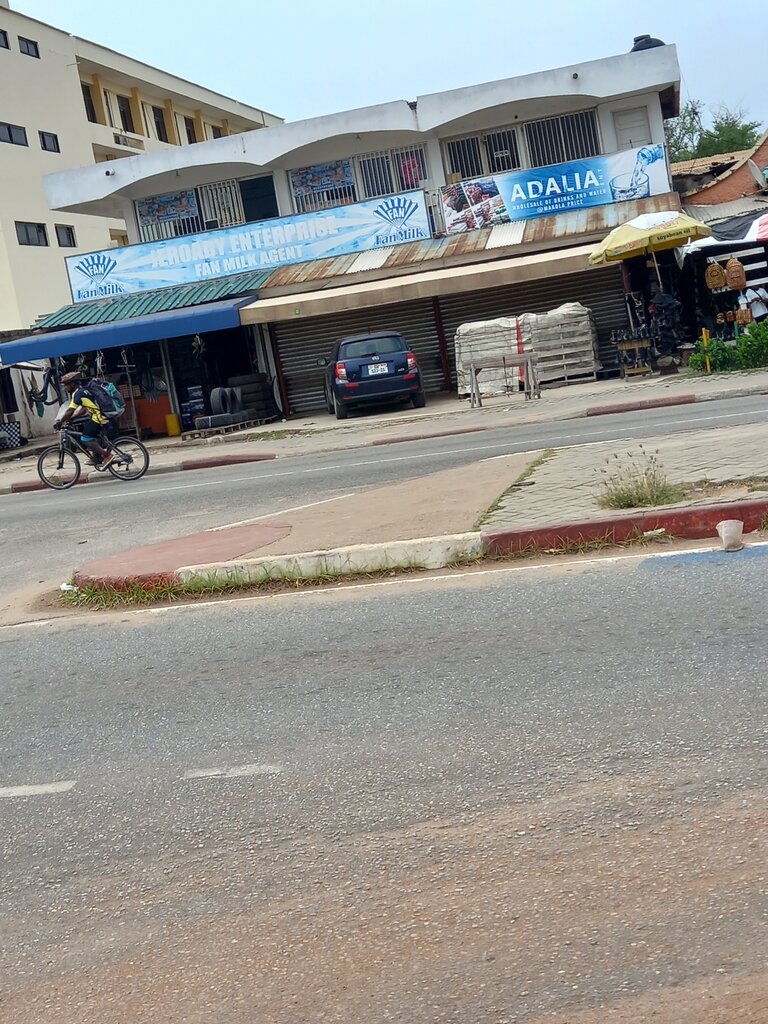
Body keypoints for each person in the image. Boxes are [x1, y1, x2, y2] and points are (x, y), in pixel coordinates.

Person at [54, 371, 114, 470]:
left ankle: (107, 455)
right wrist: (72, 418)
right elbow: (83, 410)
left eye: (67, 385)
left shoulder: (78, 394)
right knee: (87, 431)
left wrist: (60, 422)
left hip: (99, 418)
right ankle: (97, 456)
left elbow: (70, 410)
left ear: (73, 384)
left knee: (85, 438)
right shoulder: (83, 391)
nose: (65, 388)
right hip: (100, 416)